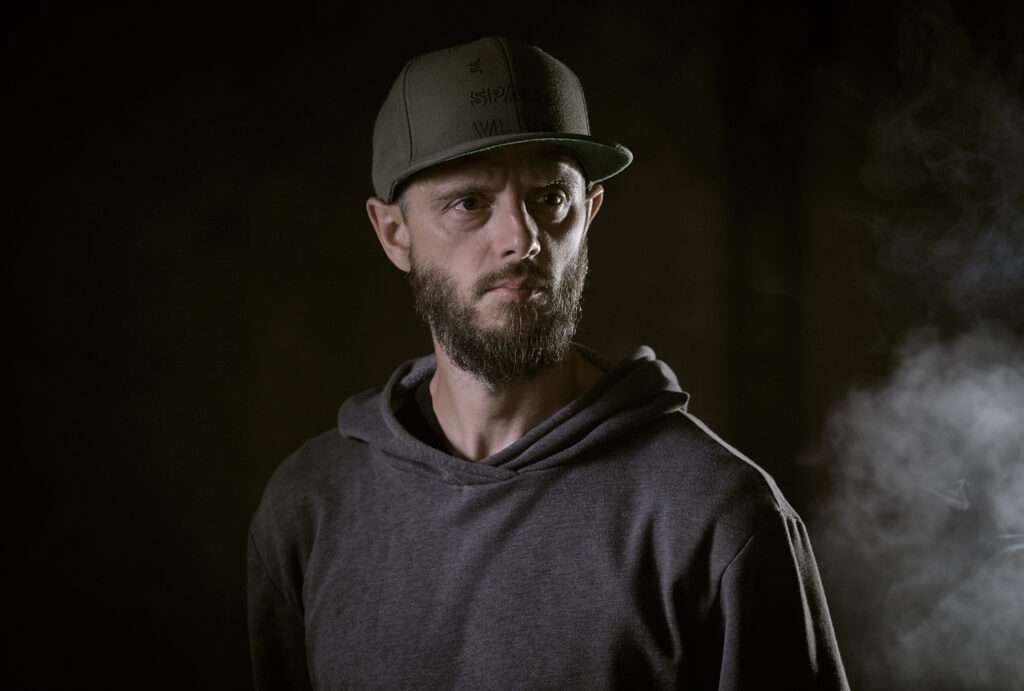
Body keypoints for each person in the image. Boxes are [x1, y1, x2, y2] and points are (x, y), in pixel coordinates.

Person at [247, 36, 850, 690]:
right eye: (470, 202)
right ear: (394, 233)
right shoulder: (311, 507)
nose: (522, 238)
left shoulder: (714, 517)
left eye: (550, 198)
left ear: (588, 213)